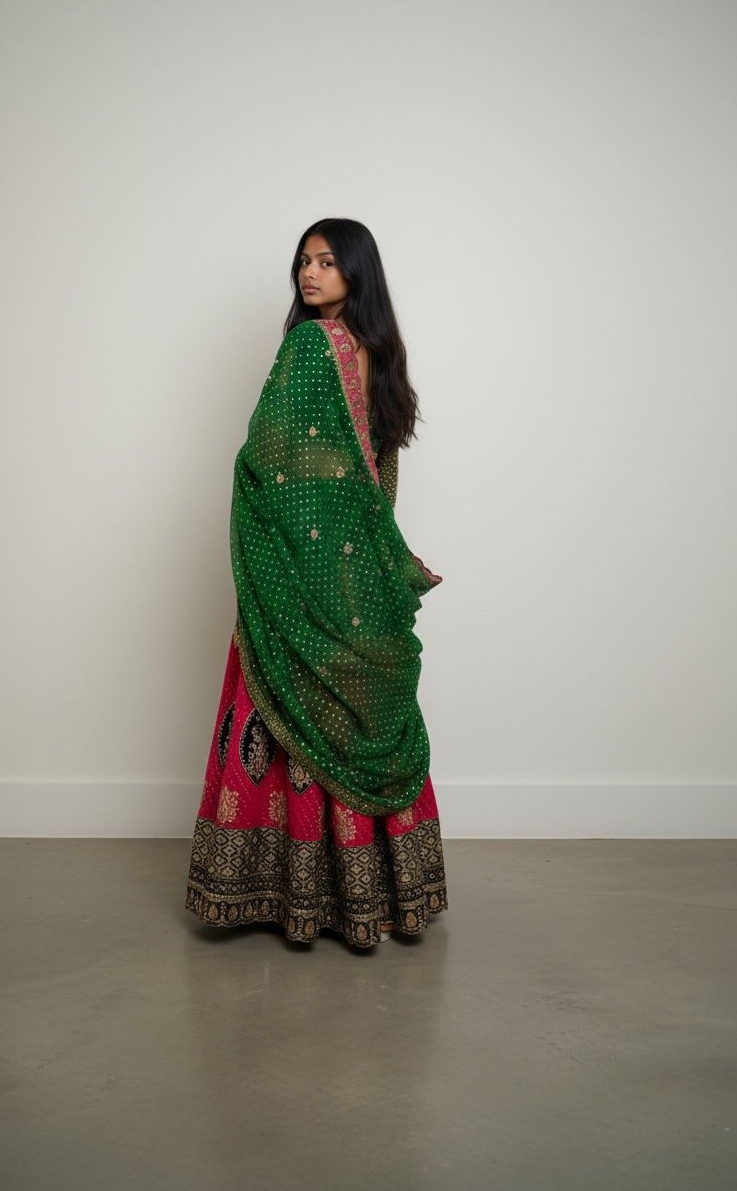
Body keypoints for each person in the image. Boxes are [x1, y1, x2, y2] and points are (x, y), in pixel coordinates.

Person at [185, 218, 447, 948]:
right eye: (304, 261)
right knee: (358, 709)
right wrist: (378, 562)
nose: (310, 273)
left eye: (328, 262)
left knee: (290, 701)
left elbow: (266, 457)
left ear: (356, 272)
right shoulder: (379, 357)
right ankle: (378, 896)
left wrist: (271, 542)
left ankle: (288, 893)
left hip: (301, 566)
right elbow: (377, 482)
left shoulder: (309, 345)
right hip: (353, 567)